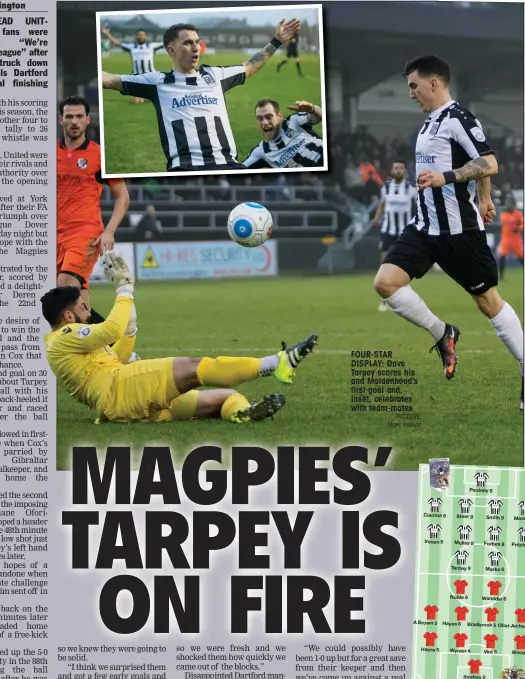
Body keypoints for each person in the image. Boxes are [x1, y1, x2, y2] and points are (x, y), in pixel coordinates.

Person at [373, 55, 523, 410]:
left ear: (434, 83)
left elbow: (488, 161)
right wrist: (485, 197)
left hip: (459, 233)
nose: (411, 93)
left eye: (414, 85)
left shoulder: (459, 118)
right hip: (424, 227)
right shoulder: (429, 124)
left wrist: (449, 178)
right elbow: (477, 166)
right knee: (385, 282)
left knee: (489, 303)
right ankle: (443, 334)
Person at [42, 253, 318, 425]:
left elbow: (118, 357)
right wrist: (124, 288)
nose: (88, 311)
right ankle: (278, 363)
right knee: (198, 367)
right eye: (82, 307)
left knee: (227, 397)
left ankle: (241, 413)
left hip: (125, 404)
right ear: (67, 316)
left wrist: (131, 330)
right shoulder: (66, 336)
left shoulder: (67, 344)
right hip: (123, 390)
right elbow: (110, 330)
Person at [101, 19, 301, 172]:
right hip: (185, 169)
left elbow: (250, 66)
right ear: (171, 50)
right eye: (188, 43)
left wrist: (276, 41)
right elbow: (108, 79)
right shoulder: (157, 82)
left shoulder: (215, 76)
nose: (196, 47)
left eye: (197, 42)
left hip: (227, 166)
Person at [57, 95, 130, 324]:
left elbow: (123, 197)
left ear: (88, 120)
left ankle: (116, 340)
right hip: (57, 235)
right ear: (61, 120)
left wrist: (109, 231)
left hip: (86, 233)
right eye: (69, 116)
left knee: (64, 289)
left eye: (79, 116)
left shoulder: (100, 155)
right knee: (79, 306)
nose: (74, 121)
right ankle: (111, 348)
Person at [370, 159, 417, 311]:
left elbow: (418, 206)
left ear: (405, 171)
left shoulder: (411, 188)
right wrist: (377, 218)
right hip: (387, 230)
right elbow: (383, 204)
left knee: (403, 266)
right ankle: (384, 298)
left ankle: (402, 296)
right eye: (395, 168)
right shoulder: (386, 187)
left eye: (401, 168)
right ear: (391, 170)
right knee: (384, 263)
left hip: (404, 232)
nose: (398, 170)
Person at [243, 99, 323, 169]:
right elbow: (239, 169)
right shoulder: (260, 152)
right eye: (260, 119)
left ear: (279, 116)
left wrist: (312, 109)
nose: (265, 122)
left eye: (269, 117)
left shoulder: (293, 122)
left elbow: (318, 117)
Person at [101, 27, 165, 103]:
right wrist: (107, 34)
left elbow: (165, 42)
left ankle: (151, 94)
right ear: (136, 37)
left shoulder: (151, 46)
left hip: (151, 77)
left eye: (142, 35)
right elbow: (117, 43)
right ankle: (146, 96)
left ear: (145, 36)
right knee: (136, 101)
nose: (140, 36)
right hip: (137, 79)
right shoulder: (132, 47)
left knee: (163, 95)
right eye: (139, 35)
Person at [498, 198, 523, 280]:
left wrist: (519, 228)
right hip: (506, 239)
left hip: (516, 239)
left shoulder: (518, 214)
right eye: (507, 204)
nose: (509, 206)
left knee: (521, 257)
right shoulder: (503, 215)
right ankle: (501, 277)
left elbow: (522, 224)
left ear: (513, 205)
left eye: (510, 204)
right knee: (502, 257)